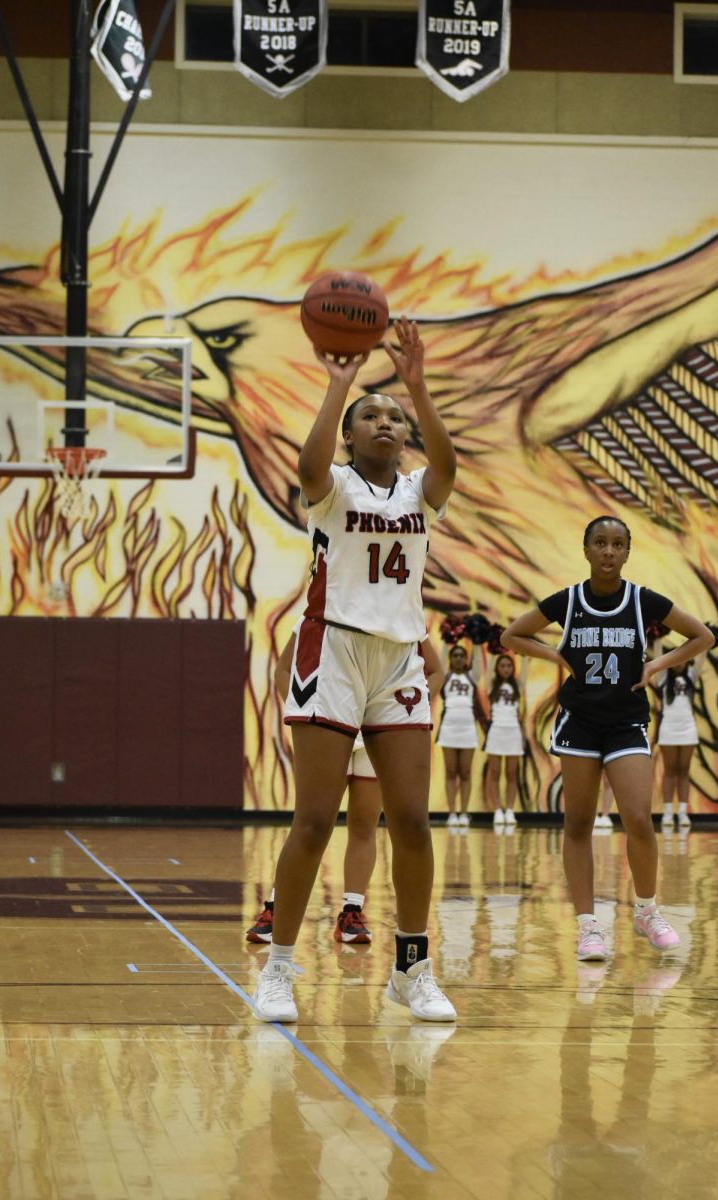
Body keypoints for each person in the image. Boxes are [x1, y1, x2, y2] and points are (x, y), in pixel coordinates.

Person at [251, 316, 458, 1024]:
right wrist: (339, 384)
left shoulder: (418, 496)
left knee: (412, 822)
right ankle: (278, 970)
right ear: (350, 433)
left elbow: (449, 466)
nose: (385, 423)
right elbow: (308, 466)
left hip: (398, 656)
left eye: (395, 418)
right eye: (372, 416)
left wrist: (420, 389)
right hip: (331, 650)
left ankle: (411, 968)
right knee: (312, 820)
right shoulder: (332, 487)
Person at [500, 514, 714, 962]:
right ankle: (588, 926)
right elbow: (512, 635)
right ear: (586, 550)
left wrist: (657, 665)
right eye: (600, 543)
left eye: (618, 544)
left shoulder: (641, 601)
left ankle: (646, 910)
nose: (609, 552)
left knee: (637, 817)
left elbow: (702, 636)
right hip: (579, 722)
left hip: (626, 722)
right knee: (577, 824)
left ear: (627, 552)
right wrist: (556, 656)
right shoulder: (569, 600)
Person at [246, 632, 444, 944]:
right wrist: (302, 707)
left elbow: (436, 670)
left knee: (365, 825)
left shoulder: (400, 617)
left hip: (376, 733)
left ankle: (351, 912)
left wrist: (411, 703)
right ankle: (276, 907)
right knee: (311, 824)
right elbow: (283, 669)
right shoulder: (328, 607)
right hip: (330, 724)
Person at [654, 652, 706, 829]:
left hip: (688, 729)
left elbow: (700, 657)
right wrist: (657, 635)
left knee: (684, 770)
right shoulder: (663, 678)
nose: (679, 664)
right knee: (669, 771)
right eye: (676, 660)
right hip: (668, 728)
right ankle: (668, 813)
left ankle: (683, 813)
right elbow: (659, 655)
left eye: (683, 660)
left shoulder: (691, 676)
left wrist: (706, 641)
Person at [435, 642, 483, 827]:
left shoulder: (472, 677)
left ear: (466, 659)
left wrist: (478, 642)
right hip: (448, 728)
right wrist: (447, 641)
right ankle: (452, 813)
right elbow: (438, 663)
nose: (458, 658)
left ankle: (464, 813)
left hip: (468, 729)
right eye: (454, 655)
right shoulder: (445, 677)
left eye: (461, 655)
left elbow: (478, 662)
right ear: (450, 659)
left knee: (465, 772)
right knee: (451, 772)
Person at [484, 652, 528, 827]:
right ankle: (497, 810)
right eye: (502, 666)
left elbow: (525, 666)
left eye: (509, 666)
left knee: (511, 773)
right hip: (496, 731)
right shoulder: (491, 685)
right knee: (494, 772)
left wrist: (523, 649)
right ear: (497, 668)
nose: (506, 669)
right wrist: (495, 650)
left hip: (513, 732)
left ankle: (509, 810)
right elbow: (487, 671)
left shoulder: (517, 685)